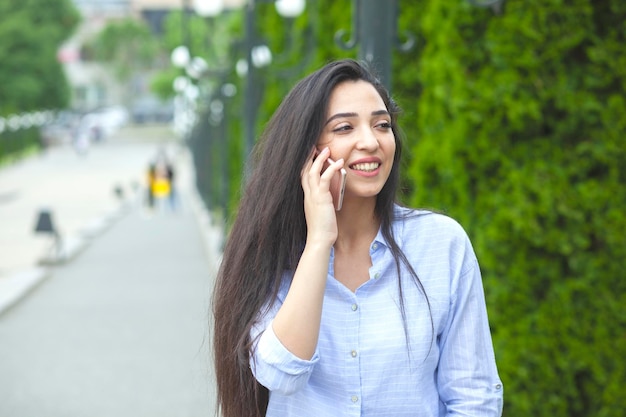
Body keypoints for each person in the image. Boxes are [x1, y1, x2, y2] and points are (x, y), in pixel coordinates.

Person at [212, 59, 503, 417]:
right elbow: (280, 373)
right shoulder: (268, 253)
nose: (370, 141)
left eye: (382, 125)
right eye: (344, 127)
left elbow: (474, 396)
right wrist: (319, 242)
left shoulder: (442, 244)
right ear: (307, 150)